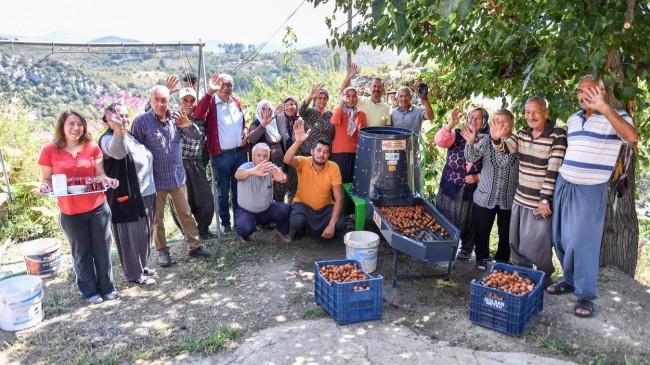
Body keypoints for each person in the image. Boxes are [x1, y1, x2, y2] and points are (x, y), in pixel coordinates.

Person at [549, 75, 638, 318]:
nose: (583, 94)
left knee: (582, 243)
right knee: (561, 238)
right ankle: (568, 281)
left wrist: (604, 108)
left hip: (590, 189)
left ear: (602, 92)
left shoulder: (616, 116)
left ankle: (586, 295)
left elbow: (632, 137)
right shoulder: (573, 119)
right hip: (565, 183)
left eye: (590, 90)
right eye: (580, 90)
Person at [37, 110, 120, 304]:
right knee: (81, 252)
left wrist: (109, 181)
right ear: (62, 127)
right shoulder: (49, 151)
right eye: (71, 124)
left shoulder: (92, 147)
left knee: (103, 249)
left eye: (80, 124)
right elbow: (47, 179)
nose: (76, 128)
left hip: (97, 207)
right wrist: (43, 187)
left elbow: (100, 175)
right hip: (70, 211)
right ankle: (89, 291)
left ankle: (107, 288)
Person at [131, 85, 213, 268]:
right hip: (155, 179)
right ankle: (163, 252)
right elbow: (134, 149)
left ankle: (195, 246)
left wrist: (188, 126)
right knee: (157, 218)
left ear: (169, 101)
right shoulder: (141, 122)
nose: (160, 104)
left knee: (186, 213)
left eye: (164, 100)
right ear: (150, 100)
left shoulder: (176, 118)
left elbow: (196, 137)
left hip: (177, 176)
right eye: (157, 100)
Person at [491, 97, 567, 282]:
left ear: (546, 113)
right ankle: (522, 276)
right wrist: (495, 138)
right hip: (521, 197)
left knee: (538, 243)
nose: (530, 116)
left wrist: (544, 200)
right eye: (527, 112)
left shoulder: (557, 136)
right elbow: (506, 149)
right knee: (515, 241)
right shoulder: (523, 133)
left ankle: (543, 276)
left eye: (535, 112)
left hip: (539, 202)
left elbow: (553, 170)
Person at [99, 103, 157, 286]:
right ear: (108, 120)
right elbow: (117, 152)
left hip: (146, 191)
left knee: (145, 233)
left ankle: (142, 264)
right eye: (119, 116)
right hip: (127, 196)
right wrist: (117, 130)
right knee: (131, 235)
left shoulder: (130, 135)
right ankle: (134, 274)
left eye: (125, 116)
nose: (124, 120)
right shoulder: (108, 139)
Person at [464, 109, 519, 271]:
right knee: (482, 229)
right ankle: (481, 258)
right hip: (485, 195)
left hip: (508, 197)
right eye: (497, 121)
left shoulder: (519, 142)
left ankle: (502, 259)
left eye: (504, 121)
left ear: (512, 123)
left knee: (506, 232)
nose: (500, 125)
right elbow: (471, 158)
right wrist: (470, 142)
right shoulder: (486, 140)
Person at [193, 73, 249, 233]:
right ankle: (225, 223)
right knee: (222, 191)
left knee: (239, 189)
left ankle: (239, 220)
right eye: (222, 84)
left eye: (229, 85)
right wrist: (209, 92)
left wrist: (244, 129)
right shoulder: (211, 102)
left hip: (239, 153)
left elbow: (240, 121)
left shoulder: (236, 101)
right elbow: (198, 114)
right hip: (221, 155)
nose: (226, 88)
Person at [434, 107, 488, 260]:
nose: (474, 121)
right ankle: (442, 245)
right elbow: (439, 140)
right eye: (471, 117)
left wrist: (477, 177)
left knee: (470, 219)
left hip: (472, 188)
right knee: (445, 216)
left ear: (484, 121)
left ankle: (466, 248)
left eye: (479, 118)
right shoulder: (457, 134)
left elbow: (492, 167)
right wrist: (451, 123)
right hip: (450, 185)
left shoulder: (487, 140)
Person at [284, 119, 346, 240]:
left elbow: (339, 198)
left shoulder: (333, 167)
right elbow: (287, 160)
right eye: (318, 150)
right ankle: (305, 230)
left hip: (325, 208)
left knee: (340, 224)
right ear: (311, 152)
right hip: (303, 206)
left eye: (325, 152)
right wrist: (298, 141)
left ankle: (328, 228)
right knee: (298, 222)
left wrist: (332, 224)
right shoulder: (303, 161)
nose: (321, 154)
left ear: (328, 155)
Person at [170, 87, 216, 240]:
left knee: (205, 199)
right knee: (183, 201)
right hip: (179, 164)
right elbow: (153, 111)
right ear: (179, 102)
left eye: (192, 100)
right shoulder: (172, 118)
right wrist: (167, 92)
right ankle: (188, 233)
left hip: (197, 162)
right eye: (185, 100)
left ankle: (203, 229)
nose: (189, 104)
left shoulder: (200, 119)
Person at [234, 143, 291, 243]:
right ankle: (244, 235)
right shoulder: (246, 167)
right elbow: (237, 175)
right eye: (258, 155)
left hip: (267, 209)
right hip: (248, 211)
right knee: (245, 227)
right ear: (252, 157)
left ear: (268, 158)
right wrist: (252, 172)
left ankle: (281, 232)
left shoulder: (271, 167)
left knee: (285, 208)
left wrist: (283, 178)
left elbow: (283, 177)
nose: (262, 158)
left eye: (265, 156)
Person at [391, 86, 434, 192]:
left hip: (412, 151)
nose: (403, 99)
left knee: (413, 178)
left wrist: (425, 99)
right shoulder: (393, 113)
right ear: (397, 98)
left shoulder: (418, 111)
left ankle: (414, 200)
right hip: (396, 151)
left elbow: (430, 116)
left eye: (406, 96)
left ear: (410, 97)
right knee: (395, 177)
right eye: (401, 96)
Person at [248, 100, 288, 202]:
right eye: (263, 109)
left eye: (269, 109)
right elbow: (251, 139)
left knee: (280, 190)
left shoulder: (274, 122)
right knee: (267, 192)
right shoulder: (256, 124)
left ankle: (280, 215)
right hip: (265, 164)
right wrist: (264, 123)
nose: (266, 111)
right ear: (258, 110)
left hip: (279, 162)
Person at [330, 87, 367, 183]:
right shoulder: (339, 112)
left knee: (353, 183)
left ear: (357, 98)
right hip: (339, 153)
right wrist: (341, 104)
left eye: (354, 96)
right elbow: (333, 121)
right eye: (348, 96)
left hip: (356, 153)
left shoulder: (361, 115)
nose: (351, 99)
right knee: (339, 182)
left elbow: (363, 135)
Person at [275, 97, 300, 203]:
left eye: (292, 104)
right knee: (280, 188)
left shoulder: (300, 120)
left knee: (294, 188)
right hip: (281, 159)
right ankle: (280, 211)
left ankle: (291, 210)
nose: (290, 107)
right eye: (287, 105)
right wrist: (275, 111)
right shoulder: (278, 118)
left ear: (296, 106)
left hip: (294, 159)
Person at [298, 84, 334, 157]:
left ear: (327, 100)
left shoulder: (330, 114)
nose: (322, 100)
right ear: (315, 100)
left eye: (325, 98)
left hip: (325, 154)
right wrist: (310, 97)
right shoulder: (309, 112)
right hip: (309, 152)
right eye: (319, 98)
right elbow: (301, 110)